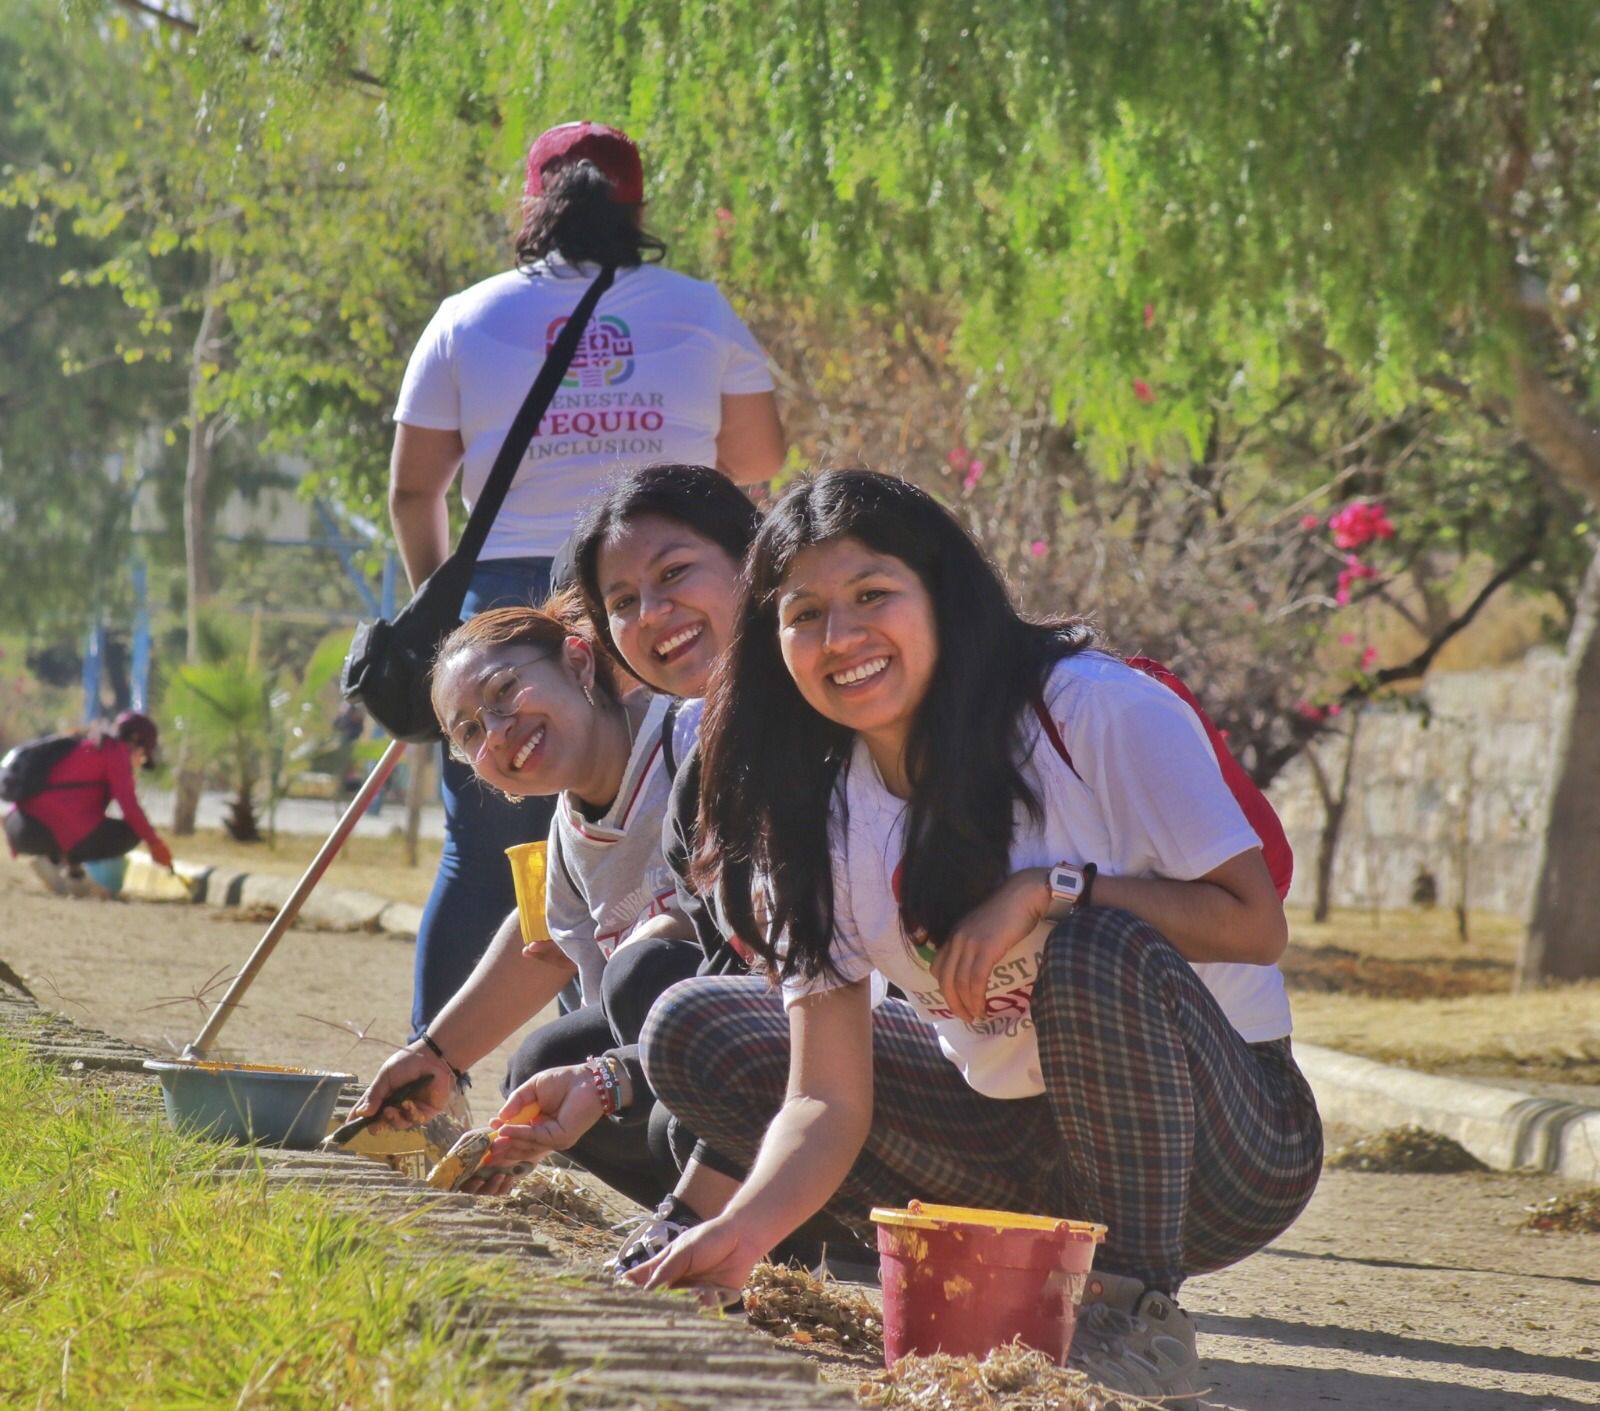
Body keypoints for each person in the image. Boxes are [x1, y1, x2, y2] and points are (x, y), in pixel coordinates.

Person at [630, 471, 1323, 1407]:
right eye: (804, 614)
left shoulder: (1089, 710)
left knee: (1088, 945)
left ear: (942, 595)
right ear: (772, 640)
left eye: (873, 595)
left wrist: (1051, 889)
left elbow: (1254, 920)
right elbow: (825, 1097)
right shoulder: (821, 807)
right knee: (696, 1025)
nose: (842, 639)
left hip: (1224, 1146)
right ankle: (1027, 1277)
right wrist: (739, 1233)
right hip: (1017, 1141)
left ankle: (1135, 1317)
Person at [388, 120, 784, 1036]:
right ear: (637, 209)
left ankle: (435, 1073)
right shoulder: (699, 307)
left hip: (509, 589)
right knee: (683, 831)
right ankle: (635, 1043)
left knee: (483, 859)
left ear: (532, 204)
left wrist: (460, 640)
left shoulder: (467, 315)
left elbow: (416, 492)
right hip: (661, 592)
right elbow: (756, 468)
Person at [4, 711, 173, 896]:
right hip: (43, 831)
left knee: (83, 819)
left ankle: (68, 870)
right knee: (130, 833)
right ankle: (54, 861)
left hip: (18, 826)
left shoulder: (86, 740)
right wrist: (155, 844)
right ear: (134, 741)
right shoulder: (115, 751)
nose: (139, 763)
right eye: (142, 755)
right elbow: (130, 808)